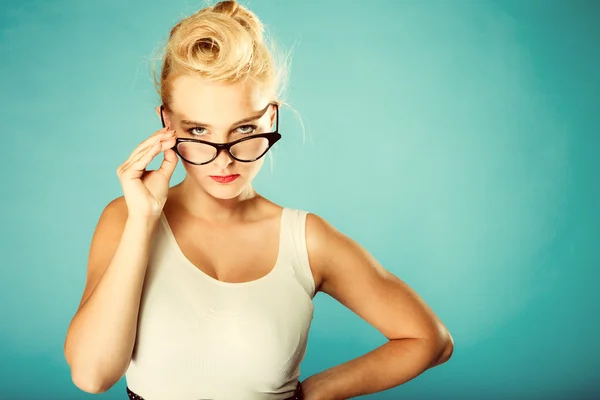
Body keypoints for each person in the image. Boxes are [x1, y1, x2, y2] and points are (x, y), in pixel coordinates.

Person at [63, 1, 454, 399]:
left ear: (271, 118)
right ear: (167, 124)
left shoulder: (307, 241)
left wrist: (319, 391)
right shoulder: (127, 218)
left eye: (244, 128)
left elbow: (430, 339)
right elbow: (92, 376)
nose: (224, 156)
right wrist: (143, 221)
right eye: (198, 130)